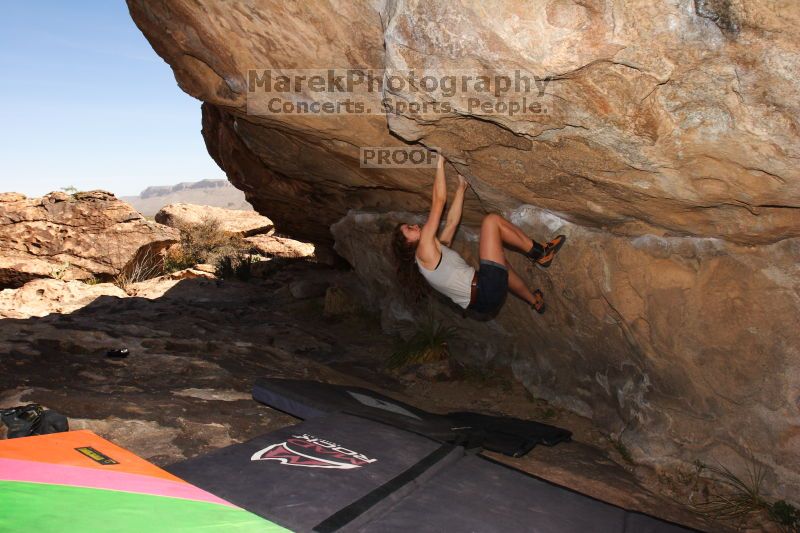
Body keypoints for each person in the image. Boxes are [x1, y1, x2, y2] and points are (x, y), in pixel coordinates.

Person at [392, 154, 565, 317]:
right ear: (408, 244)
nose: (414, 225)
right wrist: (439, 162)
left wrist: (461, 188)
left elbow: (451, 223)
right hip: (485, 289)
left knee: (499, 262)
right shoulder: (423, 249)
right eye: (409, 229)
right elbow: (439, 201)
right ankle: (542, 253)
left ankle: (534, 301)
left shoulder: (428, 258)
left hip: (483, 304)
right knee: (491, 222)